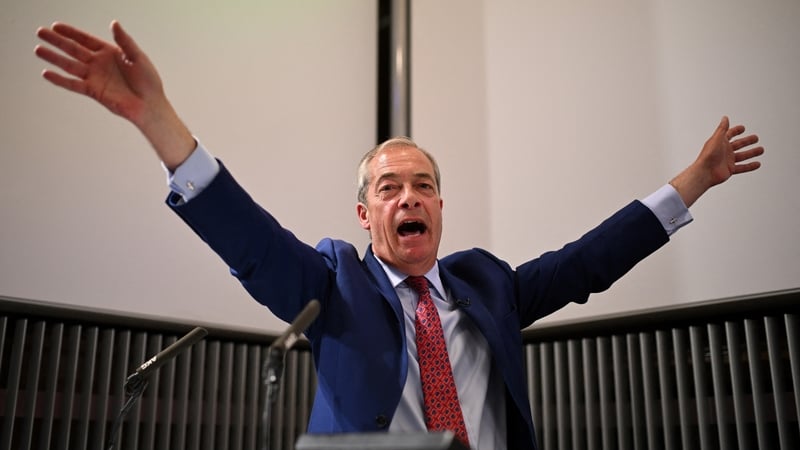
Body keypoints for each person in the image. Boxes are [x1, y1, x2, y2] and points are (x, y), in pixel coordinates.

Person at [34, 21, 764, 450]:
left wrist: (692, 181)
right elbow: (249, 239)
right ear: (365, 215)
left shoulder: (489, 284)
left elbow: (590, 261)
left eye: (422, 187)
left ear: (441, 208)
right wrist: (157, 121)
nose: (408, 197)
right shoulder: (333, 283)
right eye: (389, 188)